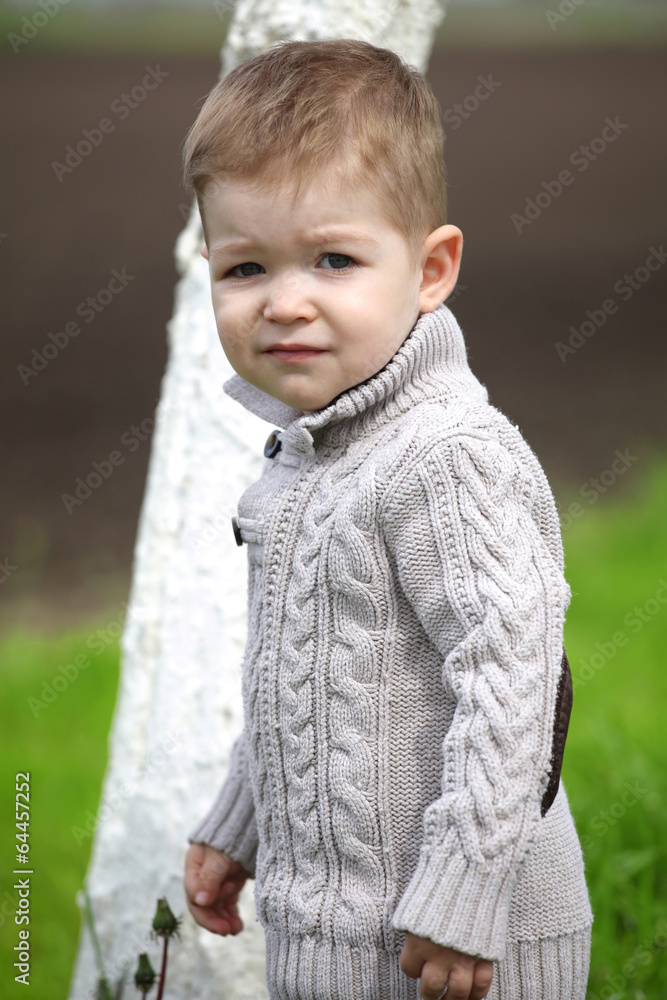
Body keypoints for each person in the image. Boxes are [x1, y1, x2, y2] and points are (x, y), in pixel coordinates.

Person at [181, 37, 594, 1000]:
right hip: (335, 943)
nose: (285, 302)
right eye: (245, 268)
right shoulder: (307, 455)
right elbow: (301, 677)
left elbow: (515, 686)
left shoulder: (445, 455)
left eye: (334, 259)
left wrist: (464, 896)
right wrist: (240, 822)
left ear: (430, 268)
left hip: (460, 949)